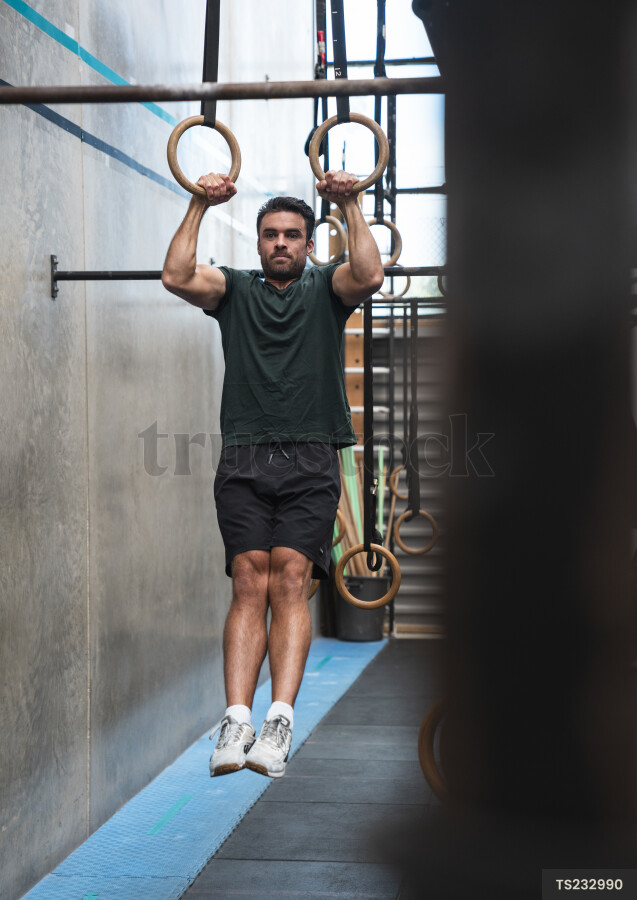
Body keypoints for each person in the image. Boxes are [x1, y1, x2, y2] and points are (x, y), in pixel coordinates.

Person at [162, 169, 384, 778]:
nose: (280, 243)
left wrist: (352, 203)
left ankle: (279, 719)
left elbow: (367, 273)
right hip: (245, 455)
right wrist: (198, 202)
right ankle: (237, 719)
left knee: (289, 579)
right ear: (258, 244)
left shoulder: (326, 290)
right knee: (248, 580)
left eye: (292, 234)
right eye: (270, 235)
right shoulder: (233, 290)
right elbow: (177, 274)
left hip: (311, 454)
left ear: (311, 244)